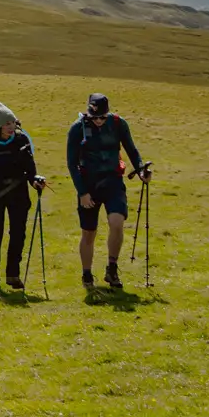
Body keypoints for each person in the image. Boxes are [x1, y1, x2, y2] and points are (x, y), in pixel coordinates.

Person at [66, 92, 151, 290]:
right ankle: (87, 274)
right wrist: (82, 192)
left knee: (117, 222)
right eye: (94, 117)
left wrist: (140, 170)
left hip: (113, 181)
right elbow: (71, 164)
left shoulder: (118, 124)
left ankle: (112, 268)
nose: (98, 121)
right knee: (89, 232)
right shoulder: (77, 129)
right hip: (89, 185)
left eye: (102, 117)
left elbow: (131, 149)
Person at [0, 101, 46, 292]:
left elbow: (30, 169)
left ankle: (13, 274)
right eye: (7, 124)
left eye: (12, 122)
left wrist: (35, 181)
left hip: (18, 194)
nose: (11, 127)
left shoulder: (22, 141)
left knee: (18, 234)